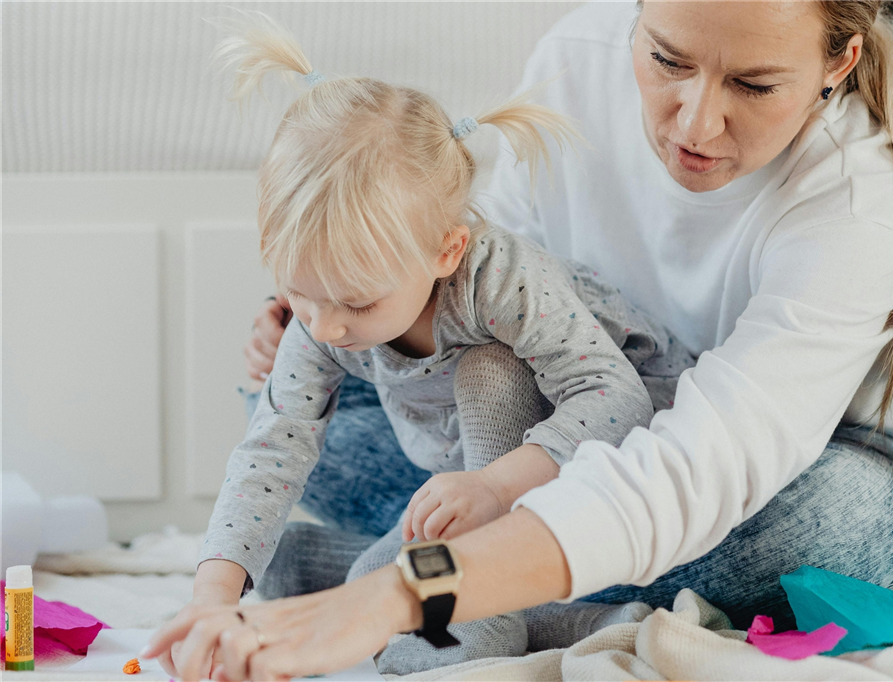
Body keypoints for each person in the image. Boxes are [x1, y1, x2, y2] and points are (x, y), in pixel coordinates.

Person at [143, 1, 893, 680]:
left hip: (792, 472)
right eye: (666, 60)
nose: (694, 123)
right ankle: (519, 569)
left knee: (822, 529)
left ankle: (422, 571)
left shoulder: (856, 197)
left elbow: (699, 468)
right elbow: (490, 300)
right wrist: (363, 318)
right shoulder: (574, 58)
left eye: (753, 85)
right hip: (567, 428)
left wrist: (396, 595)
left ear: (840, 60)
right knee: (292, 408)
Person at [175, 10, 695, 678]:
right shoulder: (320, 318)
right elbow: (276, 445)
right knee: (303, 553)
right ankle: (570, 616)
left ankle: (493, 622)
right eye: (298, 291)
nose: (325, 326)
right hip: (470, 468)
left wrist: (492, 487)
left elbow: (620, 400)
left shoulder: (499, 278)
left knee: (486, 370)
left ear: (446, 251)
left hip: (610, 448)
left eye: (356, 302)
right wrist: (211, 599)